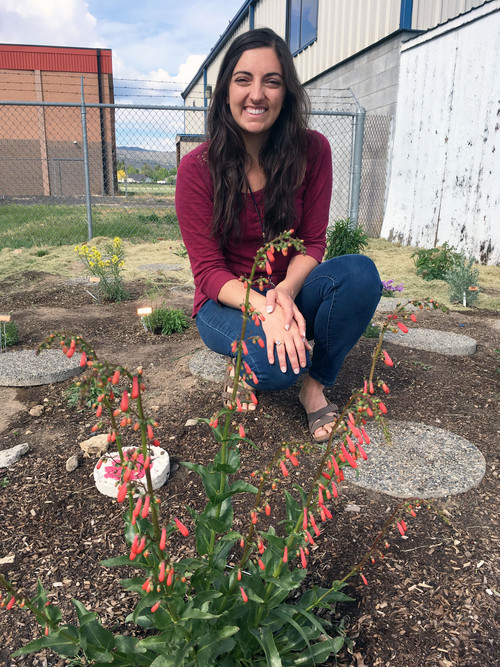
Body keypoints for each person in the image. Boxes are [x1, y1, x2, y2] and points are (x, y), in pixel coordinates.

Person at [175, 28, 381, 443]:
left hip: (288, 289)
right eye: (243, 79)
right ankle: (246, 369)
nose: (257, 94)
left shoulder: (313, 151)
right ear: (225, 91)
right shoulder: (197, 169)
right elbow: (210, 273)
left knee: (359, 275)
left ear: (286, 92)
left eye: (272, 81)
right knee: (275, 368)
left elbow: (312, 242)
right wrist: (265, 312)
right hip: (226, 302)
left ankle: (315, 385)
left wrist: (284, 293)